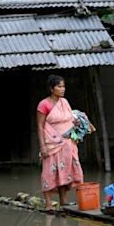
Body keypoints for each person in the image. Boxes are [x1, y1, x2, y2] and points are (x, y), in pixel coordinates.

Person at [37, 74, 83, 212]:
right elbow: (40, 126)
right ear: (52, 89)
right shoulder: (43, 104)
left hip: (68, 143)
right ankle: (49, 203)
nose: (62, 89)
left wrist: (76, 122)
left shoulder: (65, 102)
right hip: (52, 143)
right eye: (59, 86)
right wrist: (42, 146)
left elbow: (69, 118)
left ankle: (64, 201)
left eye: (63, 86)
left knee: (65, 171)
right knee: (49, 171)